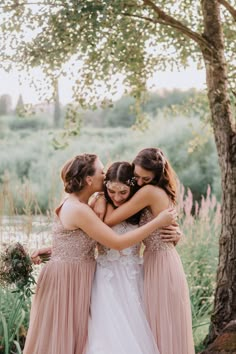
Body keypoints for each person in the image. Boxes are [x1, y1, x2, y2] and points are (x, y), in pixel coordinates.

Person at [23, 153, 176, 354]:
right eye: (102, 172)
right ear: (89, 179)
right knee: (65, 335)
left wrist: (54, 250)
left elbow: (79, 240)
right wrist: (159, 222)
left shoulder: (88, 205)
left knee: (76, 336)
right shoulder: (82, 209)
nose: (105, 176)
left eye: (123, 191)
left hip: (101, 276)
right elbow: (116, 242)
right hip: (76, 279)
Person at [104, 148, 195, 354]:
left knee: (162, 326)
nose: (139, 182)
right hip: (160, 259)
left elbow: (110, 220)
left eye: (146, 178)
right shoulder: (153, 190)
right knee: (159, 327)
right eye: (135, 177)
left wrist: (102, 196)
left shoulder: (149, 191)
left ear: (156, 176)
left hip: (161, 263)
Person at [86, 162, 160, 354]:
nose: (116, 197)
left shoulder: (141, 208)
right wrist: (101, 197)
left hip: (134, 278)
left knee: (137, 329)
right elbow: (83, 236)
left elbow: (159, 234)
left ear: (133, 188)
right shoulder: (98, 205)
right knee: (105, 334)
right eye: (111, 191)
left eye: (123, 192)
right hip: (106, 279)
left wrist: (176, 233)